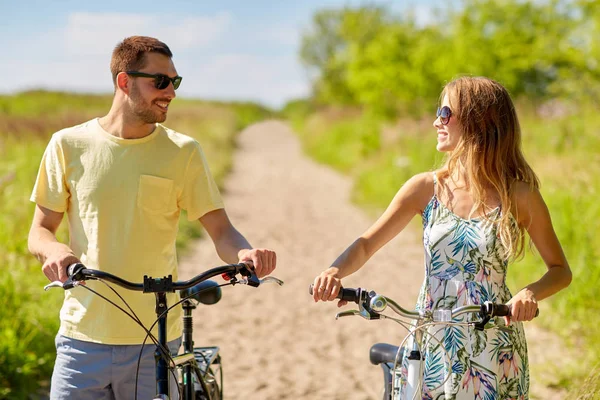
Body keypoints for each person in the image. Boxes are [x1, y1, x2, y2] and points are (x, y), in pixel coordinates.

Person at [28, 36, 277, 400]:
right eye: (160, 81)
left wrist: (245, 254)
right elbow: (40, 231)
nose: (170, 92)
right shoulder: (67, 145)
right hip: (81, 339)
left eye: (174, 82)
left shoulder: (183, 152)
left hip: (156, 341)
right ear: (124, 81)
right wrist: (54, 252)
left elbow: (222, 230)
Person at [312, 76, 571, 399]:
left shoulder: (519, 196)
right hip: (431, 336)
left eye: (445, 112)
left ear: (480, 120)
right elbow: (366, 244)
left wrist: (528, 293)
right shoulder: (424, 188)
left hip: (492, 340)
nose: (437, 121)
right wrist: (334, 271)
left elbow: (560, 269)